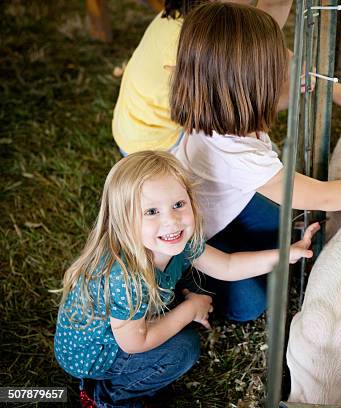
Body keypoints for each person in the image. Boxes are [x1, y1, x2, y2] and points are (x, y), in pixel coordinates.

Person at [168, 2, 341, 322]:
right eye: (279, 63)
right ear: (250, 86)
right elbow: (323, 196)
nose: (290, 61)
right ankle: (189, 290)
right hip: (189, 242)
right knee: (250, 304)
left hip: (213, 212)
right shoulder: (237, 154)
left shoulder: (211, 106)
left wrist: (321, 88)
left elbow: (271, 99)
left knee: (278, 222)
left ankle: (229, 257)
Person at [54, 151, 318, 407]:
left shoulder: (179, 241)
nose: (172, 220)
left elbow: (227, 265)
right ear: (124, 220)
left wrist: (287, 254)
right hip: (97, 354)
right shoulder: (125, 278)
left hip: (129, 326)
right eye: (151, 212)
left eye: (178, 205)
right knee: (183, 349)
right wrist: (191, 308)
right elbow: (135, 343)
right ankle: (107, 396)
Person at [112, 0, 341, 155]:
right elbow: (231, 115)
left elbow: (264, 44)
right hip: (157, 145)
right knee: (244, 124)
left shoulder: (199, 19)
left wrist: (325, 86)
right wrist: (297, 92)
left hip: (155, 122)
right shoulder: (189, 43)